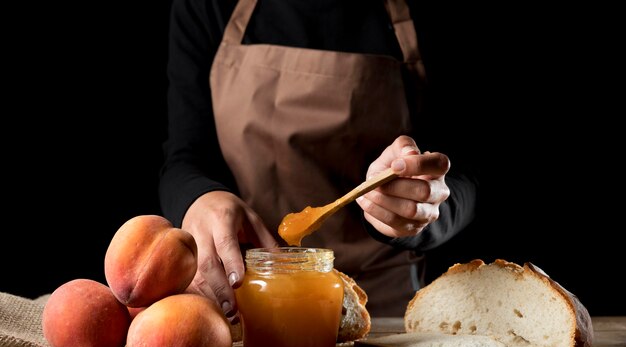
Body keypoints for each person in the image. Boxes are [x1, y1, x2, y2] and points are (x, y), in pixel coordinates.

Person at [158, 0, 478, 319]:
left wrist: (421, 207)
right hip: (246, 298)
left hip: (381, 311)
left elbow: (467, 176)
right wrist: (199, 198)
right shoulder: (206, 7)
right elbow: (185, 158)